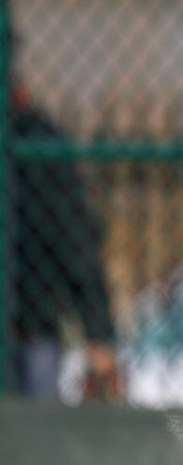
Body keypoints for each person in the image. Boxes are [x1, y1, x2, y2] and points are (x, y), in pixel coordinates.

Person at [10, 79, 119, 401]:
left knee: (34, 435)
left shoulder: (36, 139)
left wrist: (98, 334)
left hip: (29, 329)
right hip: (30, 332)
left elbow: (76, 240)